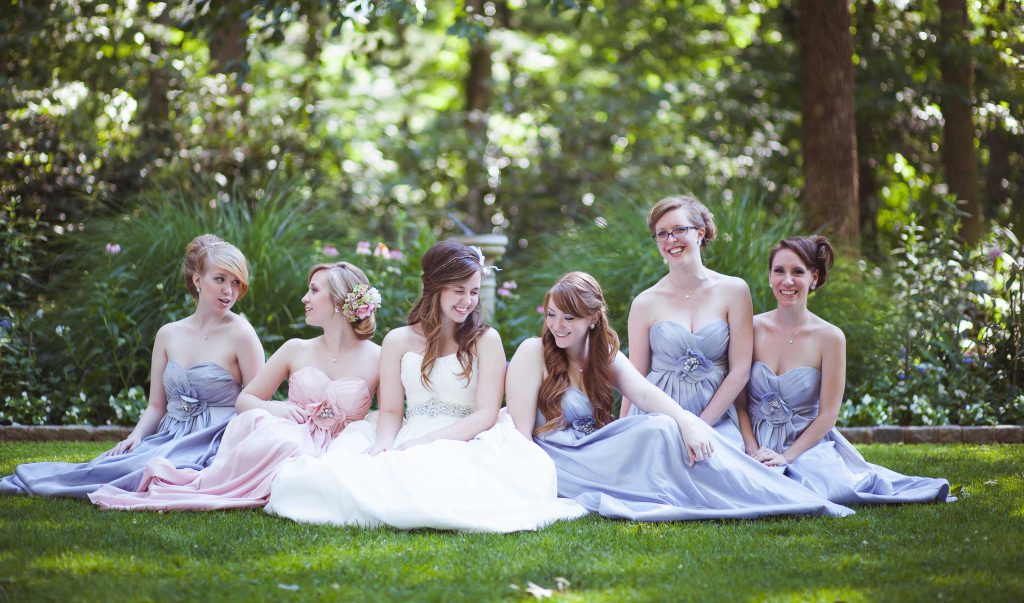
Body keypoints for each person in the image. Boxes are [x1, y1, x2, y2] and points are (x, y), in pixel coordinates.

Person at [266, 240, 587, 532]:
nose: (468, 301)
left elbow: (487, 413)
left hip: (468, 432)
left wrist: (429, 441)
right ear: (435, 288)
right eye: (459, 291)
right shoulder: (397, 341)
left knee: (448, 477)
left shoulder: (486, 340)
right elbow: (390, 410)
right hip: (410, 427)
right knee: (335, 477)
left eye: (474, 292)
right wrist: (385, 442)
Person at [506, 271, 854, 521]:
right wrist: (533, 485)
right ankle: (748, 493)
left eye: (569, 317)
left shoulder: (604, 357)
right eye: (552, 315)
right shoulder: (532, 351)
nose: (557, 325)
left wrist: (688, 422)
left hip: (592, 450)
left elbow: (645, 393)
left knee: (662, 425)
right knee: (654, 431)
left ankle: (758, 490)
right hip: (558, 460)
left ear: (593, 320)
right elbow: (521, 437)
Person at [90, 262, 379, 510]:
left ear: (341, 300)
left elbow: (391, 411)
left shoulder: (379, 357)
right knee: (282, 440)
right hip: (295, 435)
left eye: (314, 290)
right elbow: (245, 400)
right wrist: (274, 409)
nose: (305, 298)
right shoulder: (295, 349)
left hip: (346, 442)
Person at [1, 234, 263, 498]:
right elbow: (156, 405)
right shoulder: (168, 334)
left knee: (151, 473)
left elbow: (256, 403)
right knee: (112, 468)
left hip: (215, 440)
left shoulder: (242, 334)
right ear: (198, 281)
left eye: (236, 282)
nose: (229, 291)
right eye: (220, 279)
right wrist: (136, 436)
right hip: (169, 435)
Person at [742, 236, 952, 504]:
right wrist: (751, 449)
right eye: (779, 271)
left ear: (814, 278)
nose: (787, 281)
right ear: (770, 277)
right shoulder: (750, 327)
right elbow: (739, 402)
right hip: (751, 440)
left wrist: (787, 457)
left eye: (798, 272)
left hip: (805, 445)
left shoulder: (830, 337)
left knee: (823, 487)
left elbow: (829, 414)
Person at [620, 196, 753, 451]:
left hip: (716, 418)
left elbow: (740, 371)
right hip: (656, 418)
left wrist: (699, 426)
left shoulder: (734, 291)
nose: (671, 240)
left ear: (700, 233)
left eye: (679, 229)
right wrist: (622, 427)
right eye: (662, 234)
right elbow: (634, 377)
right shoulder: (644, 303)